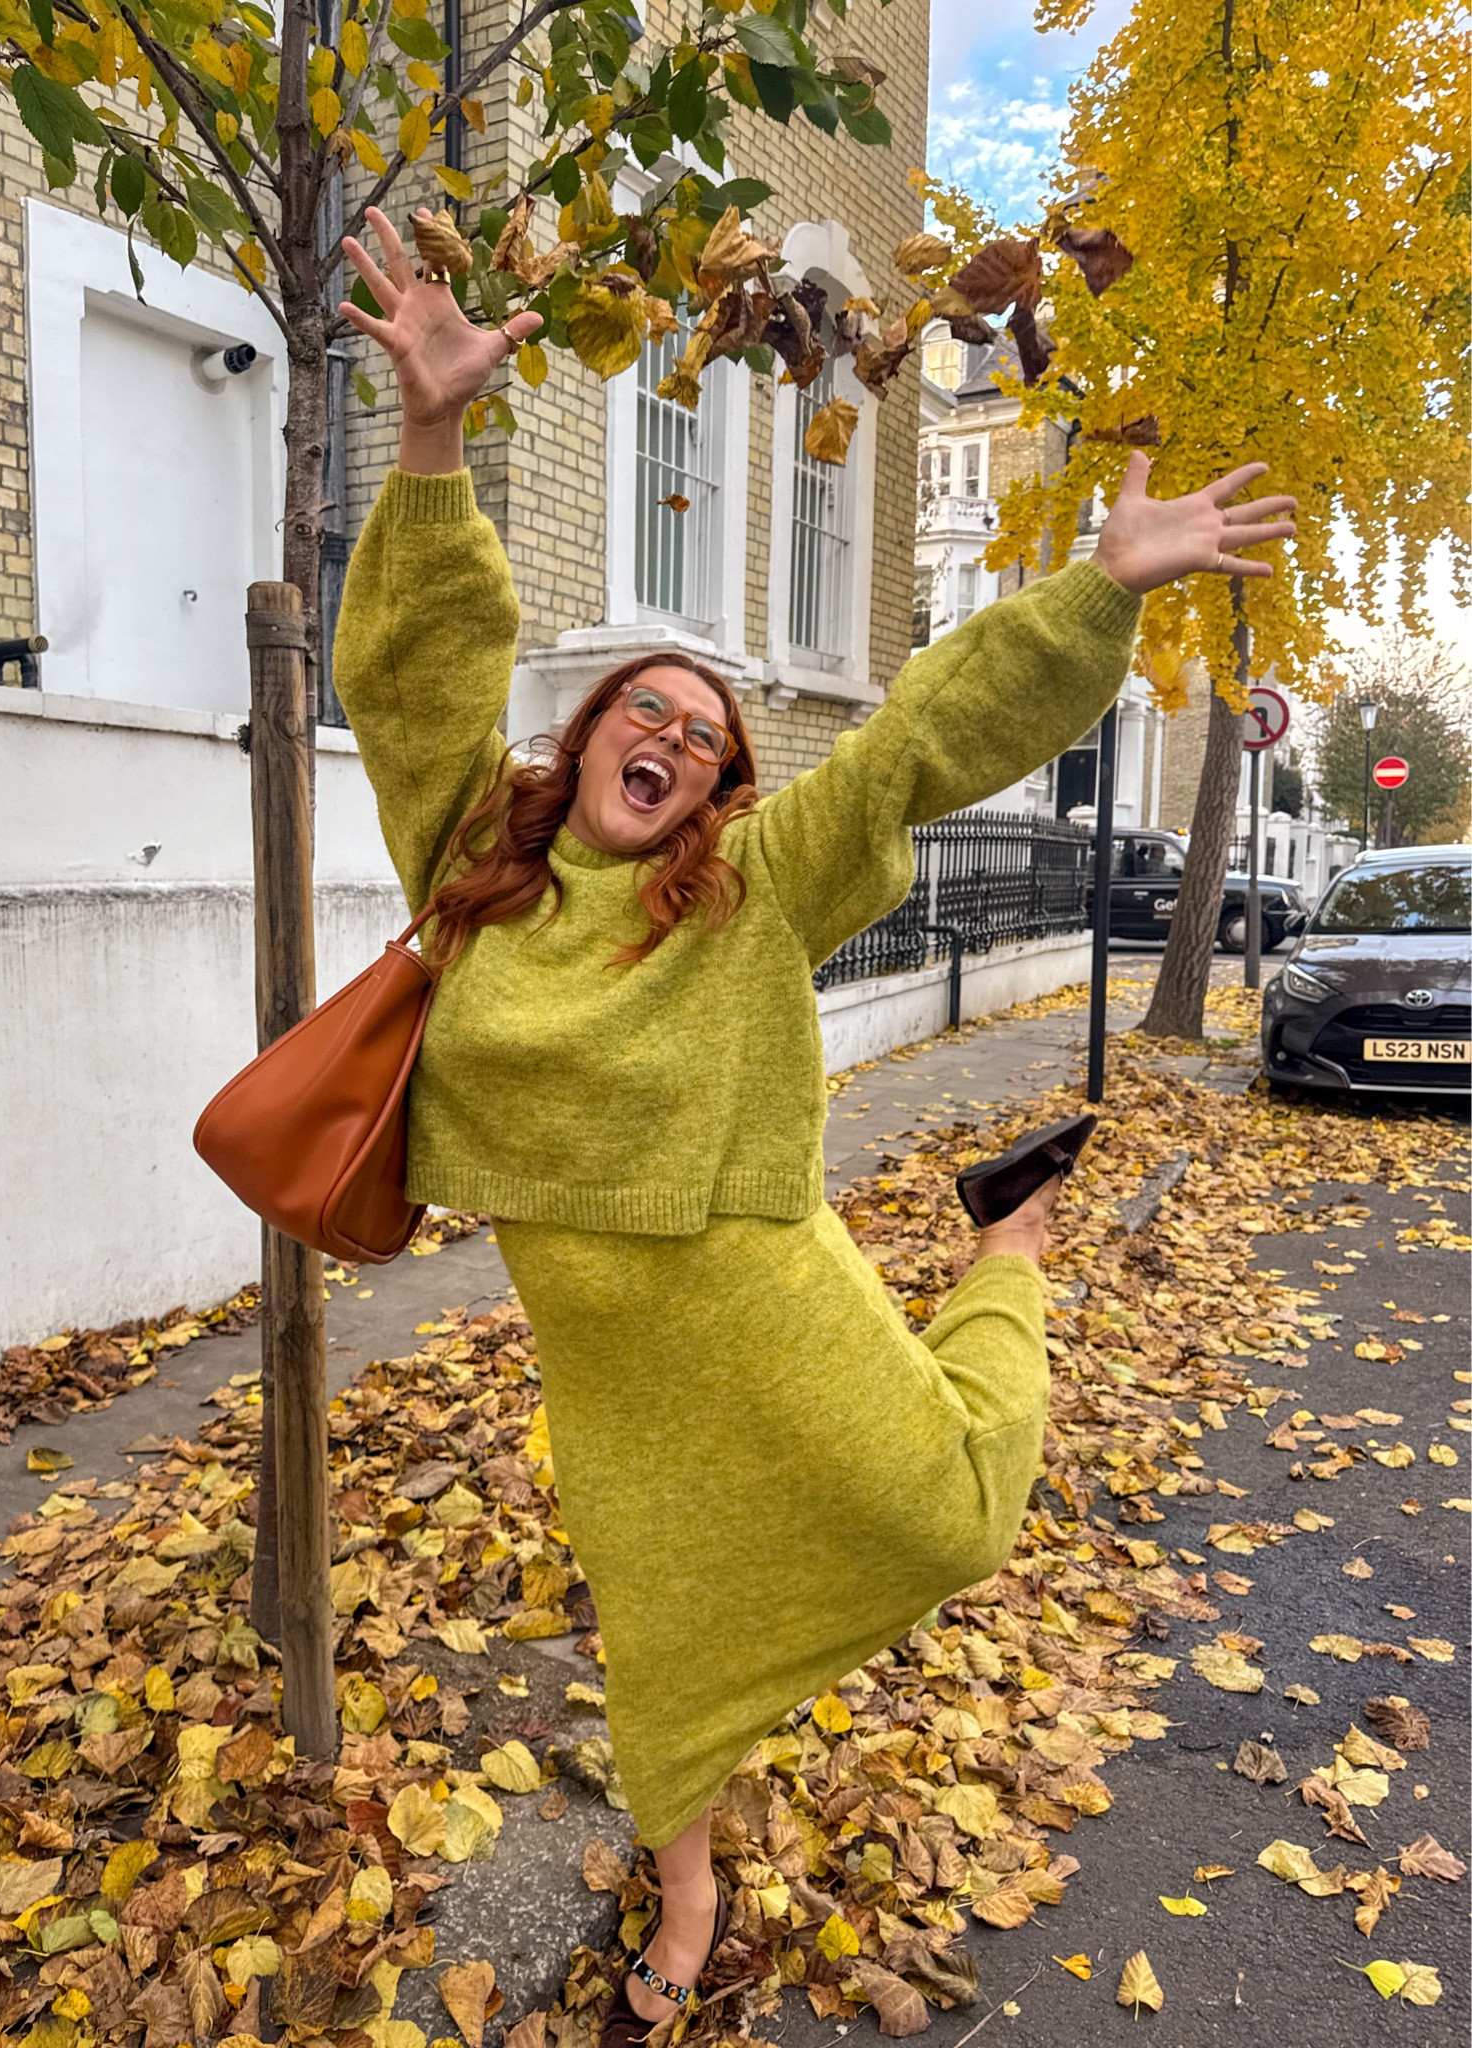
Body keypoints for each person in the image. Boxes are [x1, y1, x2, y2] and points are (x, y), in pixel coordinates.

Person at [333, 207, 1296, 2042]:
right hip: (600, 1349)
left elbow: (916, 742)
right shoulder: (473, 863)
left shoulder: (749, 889)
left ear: (717, 787)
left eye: (705, 734)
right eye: (645, 710)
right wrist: (433, 433)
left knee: (945, 1512)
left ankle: (1005, 1256)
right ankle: (687, 1880)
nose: (675, 736)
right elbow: (415, 669)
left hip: (748, 1279)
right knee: (664, 1615)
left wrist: (1095, 593)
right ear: (581, 738)